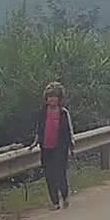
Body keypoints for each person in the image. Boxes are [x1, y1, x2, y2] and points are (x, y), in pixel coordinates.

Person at [31, 81, 76, 211]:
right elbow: (39, 129)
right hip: (46, 147)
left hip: (60, 147)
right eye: (50, 97)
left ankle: (65, 194)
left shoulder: (63, 113)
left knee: (60, 173)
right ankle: (55, 201)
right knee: (49, 175)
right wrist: (35, 142)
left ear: (59, 98)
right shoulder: (42, 113)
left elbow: (69, 129)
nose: (52, 99)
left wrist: (72, 143)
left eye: (54, 96)